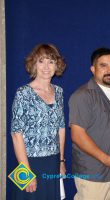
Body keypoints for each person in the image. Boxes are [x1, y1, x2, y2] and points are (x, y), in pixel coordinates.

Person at [69, 47, 110, 200]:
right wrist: (106, 159)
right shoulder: (82, 96)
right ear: (93, 69)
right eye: (103, 65)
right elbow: (77, 135)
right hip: (92, 174)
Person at [10, 44, 67, 199]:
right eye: (41, 61)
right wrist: (26, 172)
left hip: (53, 161)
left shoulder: (59, 92)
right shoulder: (23, 93)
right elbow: (16, 134)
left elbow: (61, 128)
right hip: (28, 162)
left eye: (51, 61)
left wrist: (61, 160)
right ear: (34, 64)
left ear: (57, 65)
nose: (46, 66)